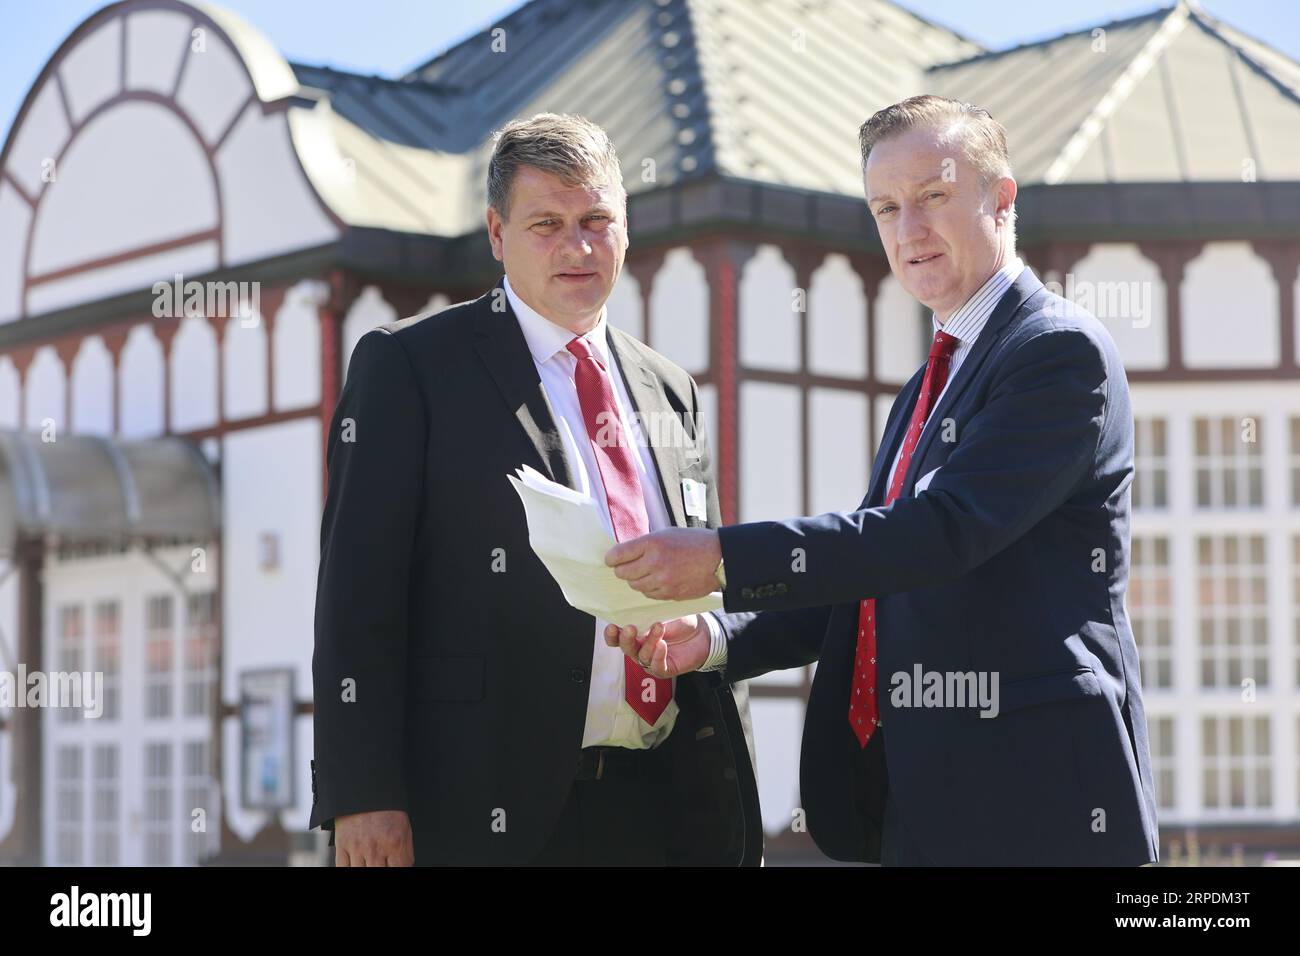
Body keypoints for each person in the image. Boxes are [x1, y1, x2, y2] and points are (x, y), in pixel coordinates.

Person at [605, 95, 1159, 866]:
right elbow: (873, 584)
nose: (909, 231)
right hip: (923, 801)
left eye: (933, 197)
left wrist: (722, 558)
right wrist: (714, 636)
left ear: (1001, 201)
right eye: (886, 208)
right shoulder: (932, 378)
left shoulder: (1057, 352)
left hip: (1039, 799)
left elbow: (943, 533)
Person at [309, 113, 761, 866]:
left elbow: (703, 584)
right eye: (546, 224)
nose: (577, 246)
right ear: (496, 233)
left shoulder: (671, 388)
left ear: (626, 225)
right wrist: (363, 794)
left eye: (596, 220)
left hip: (667, 801)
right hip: (485, 808)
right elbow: (357, 599)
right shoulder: (412, 369)